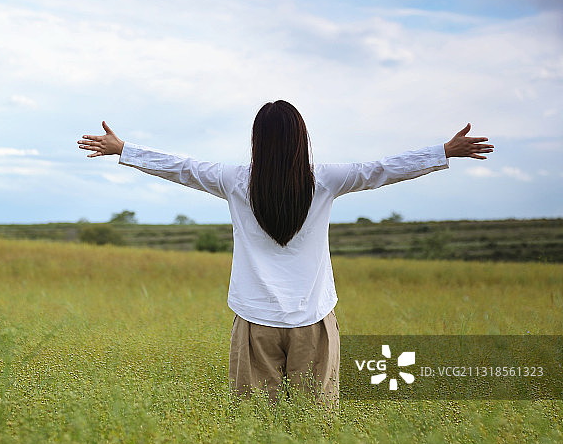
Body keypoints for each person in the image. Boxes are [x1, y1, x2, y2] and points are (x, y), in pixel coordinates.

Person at [78, 100, 492, 406]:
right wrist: (443, 151)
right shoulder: (325, 179)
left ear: (257, 140)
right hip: (313, 320)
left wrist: (124, 149)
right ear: (301, 139)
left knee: (256, 425)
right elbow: (381, 169)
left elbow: (181, 167)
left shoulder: (233, 179)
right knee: (315, 423)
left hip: (254, 322)